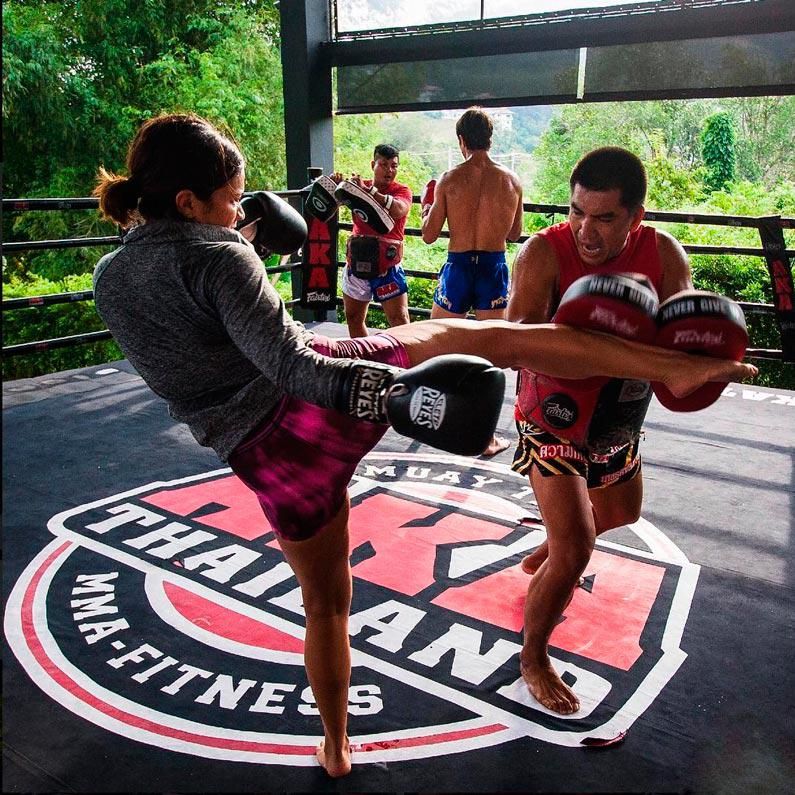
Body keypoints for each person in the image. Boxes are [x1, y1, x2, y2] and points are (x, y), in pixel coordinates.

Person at [92, 115, 756, 777]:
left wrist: (241, 244)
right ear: (187, 201)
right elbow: (295, 370)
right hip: (320, 401)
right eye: (232, 199)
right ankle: (666, 366)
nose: (241, 211)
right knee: (478, 338)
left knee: (325, 604)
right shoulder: (220, 257)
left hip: (265, 462)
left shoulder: (110, 278)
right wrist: (395, 396)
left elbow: (192, 352)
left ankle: (334, 744)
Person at [507, 146, 701, 716]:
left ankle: (548, 549)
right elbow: (517, 343)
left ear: (635, 217)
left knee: (620, 513)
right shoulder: (543, 253)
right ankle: (533, 657)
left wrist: (699, 356)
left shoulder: (663, 253)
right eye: (577, 213)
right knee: (577, 547)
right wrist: (589, 342)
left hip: (619, 412)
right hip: (553, 414)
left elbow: (680, 335)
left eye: (604, 218)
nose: (586, 231)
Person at [421, 106, 524, 455]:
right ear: (490, 140)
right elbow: (515, 234)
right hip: (493, 266)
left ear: (461, 140)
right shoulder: (512, 181)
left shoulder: (449, 179)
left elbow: (429, 235)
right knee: (490, 352)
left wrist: (427, 209)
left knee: (437, 342)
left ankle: (433, 422)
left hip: (459, 265)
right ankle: (487, 436)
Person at [332, 144, 413, 337]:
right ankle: (364, 361)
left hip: (388, 266)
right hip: (357, 263)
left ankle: (406, 365)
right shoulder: (357, 188)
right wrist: (336, 189)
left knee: (399, 321)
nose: (389, 170)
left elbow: (400, 209)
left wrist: (371, 193)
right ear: (373, 164)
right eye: (384, 165)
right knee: (353, 318)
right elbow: (327, 210)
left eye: (394, 166)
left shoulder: (401, 190)